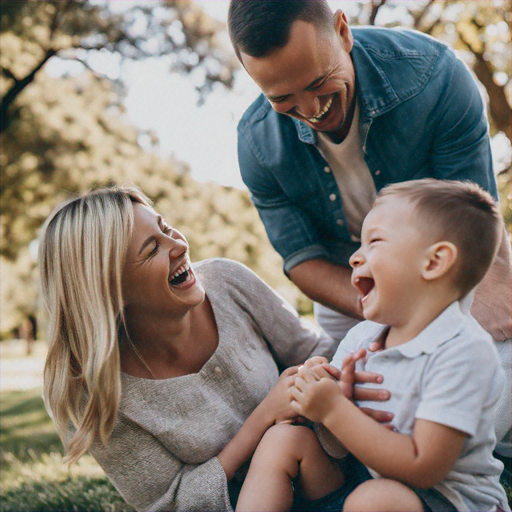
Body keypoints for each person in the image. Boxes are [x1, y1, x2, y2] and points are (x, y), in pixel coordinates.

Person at [228, 0, 512, 462]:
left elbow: (473, 214)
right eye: (282, 99)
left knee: (496, 352)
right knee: (360, 382)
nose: (310, 109)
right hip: (351, 280)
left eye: (318, 83)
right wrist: (384, 303)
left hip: (447, 260)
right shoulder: (255, 144)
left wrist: (483, 293)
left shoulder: (435, 76)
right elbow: (303, 260)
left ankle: (460, 451)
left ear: (343, 31)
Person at [39, 185, 393, 512]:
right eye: (152, 250)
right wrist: (264, 418)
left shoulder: (227, 282)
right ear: (110, 292)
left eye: (165, 227)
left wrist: (318, 374)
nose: (177, 245)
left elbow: (315, 350)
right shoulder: (98, 394)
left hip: (323, 478)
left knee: (292, 441)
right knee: (282, 439)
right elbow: (169, 503)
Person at [236, 179, 510, 512]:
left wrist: (336, 411)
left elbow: (423, 468)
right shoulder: (364, 338)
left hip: (444, 501)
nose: (354, 259)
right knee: (284, 441)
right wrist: (321, 403)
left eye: (374, 242)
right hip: (364, 480)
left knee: (375, 500)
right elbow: (337, 445)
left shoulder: (465, 355)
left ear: (434, 262)